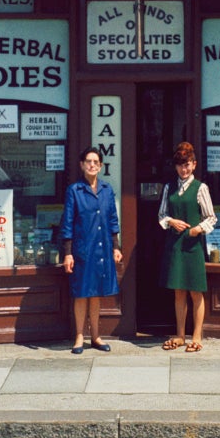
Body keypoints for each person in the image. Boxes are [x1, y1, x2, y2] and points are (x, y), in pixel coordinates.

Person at [62, 147, 122, 353]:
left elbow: (113, 220)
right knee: (81, 293)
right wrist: (68, 252)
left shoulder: (107, 189)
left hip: (102, 248)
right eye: (88, 161)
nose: (92, 165)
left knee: (96, 293)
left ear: (101, 166)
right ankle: (79, 337)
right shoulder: (74, 190)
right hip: (82, 249)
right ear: (81, 165)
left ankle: (96, 336)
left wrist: (116, 247)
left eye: (96, 162)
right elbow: (67, 222)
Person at [158, 140, 216, 352]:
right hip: (175, 244)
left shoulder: (201, 188)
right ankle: (180, 334)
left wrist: (197, 229)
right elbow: (162, 215)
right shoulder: (169, 188)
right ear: (176, 166)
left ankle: (197, 336)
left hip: (193, 246)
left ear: (194, 164)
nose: (184, 168)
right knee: (179, 291)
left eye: (188, 164)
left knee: (196, 292)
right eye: (180, 165)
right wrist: (171, 221)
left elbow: (211, 218)